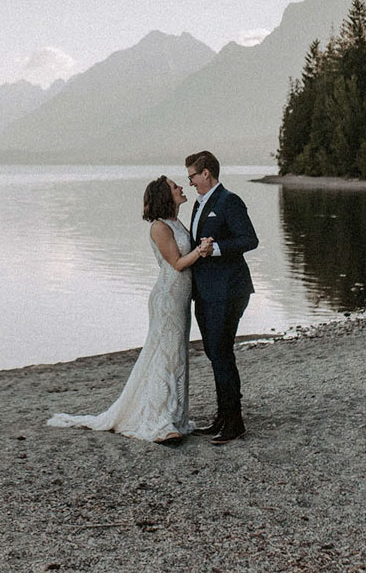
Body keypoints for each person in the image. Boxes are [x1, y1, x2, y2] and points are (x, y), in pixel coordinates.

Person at [48, 175, 212, 443]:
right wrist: (201, 250)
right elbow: (178, 263)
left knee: (177, 354)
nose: (181, 187)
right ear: (164, 196)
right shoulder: (159, 227)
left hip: (181, 299)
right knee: (165, 355)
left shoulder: (175, 222)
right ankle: (161, 421)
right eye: (174, 187)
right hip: (167, 299)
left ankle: (175, 415)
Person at [184, 150, 257, 444]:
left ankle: (235, 422)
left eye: (192, 176)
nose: (189, 182)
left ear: (206, 173)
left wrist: (215, 249)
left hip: (229, 290)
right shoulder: (201, 203)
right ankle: (222, 416)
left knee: (222, 353)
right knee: (215, 354)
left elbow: (249, 240)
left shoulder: (230, 201)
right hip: (205, 293)